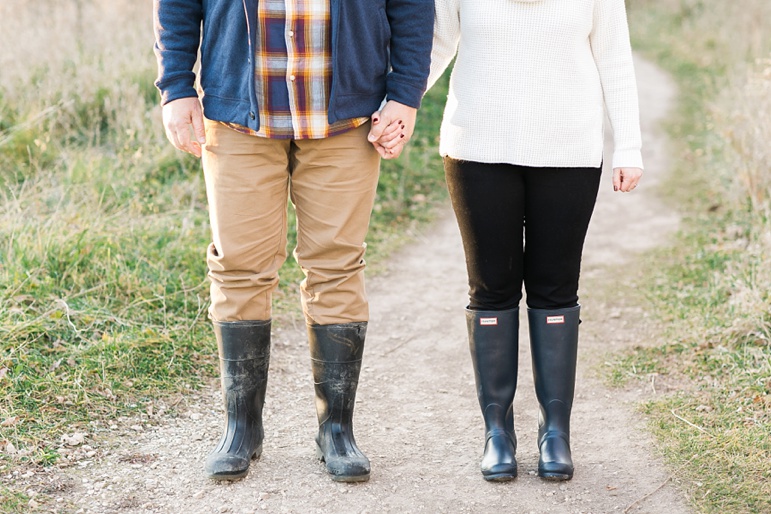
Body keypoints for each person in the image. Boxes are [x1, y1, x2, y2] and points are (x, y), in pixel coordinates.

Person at [152, 0, 433, 483]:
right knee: (238, 265)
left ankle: (337, 431)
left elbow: (411, 7)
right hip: (238, 114)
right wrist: (176, 87)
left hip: (346, 118)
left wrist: (405, 93)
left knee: (338, 266)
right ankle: (241, 428)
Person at [424, 0, 644, 482]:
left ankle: (555, 432)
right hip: (478, 147)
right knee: (491, 288)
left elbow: (615, 56)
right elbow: (435, 45)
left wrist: (628, 143)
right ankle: (497, 432)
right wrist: (395, 107)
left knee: (555, 286)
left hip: (568, 149)